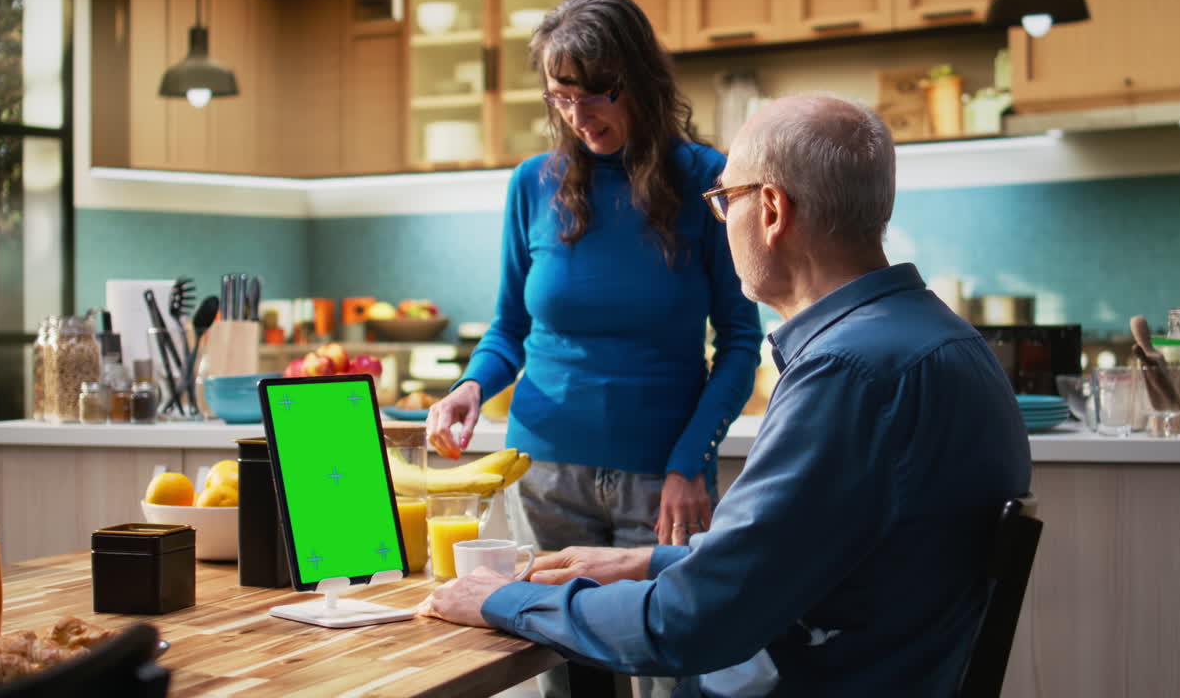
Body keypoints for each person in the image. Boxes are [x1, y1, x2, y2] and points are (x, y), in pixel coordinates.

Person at [420, 95, 1033, 697]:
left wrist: (505, 598)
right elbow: (798, 554)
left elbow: (687, 623)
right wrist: (646, 563)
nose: (720, 219)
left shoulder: (846, 375)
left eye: (722, 201)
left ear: (770, 210)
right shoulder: (949, 342)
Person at [424, 0, 762, 697]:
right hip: (545, 472)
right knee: (569, 679)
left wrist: (690, 461)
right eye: (562, 97)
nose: (581, 116)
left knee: (676, 675)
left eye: (598, 93)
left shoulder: (706, 179)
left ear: (638, 78)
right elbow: (509, 329)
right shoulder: (532, 184)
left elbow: (738, 342)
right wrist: (469, 387)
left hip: (660, 482)